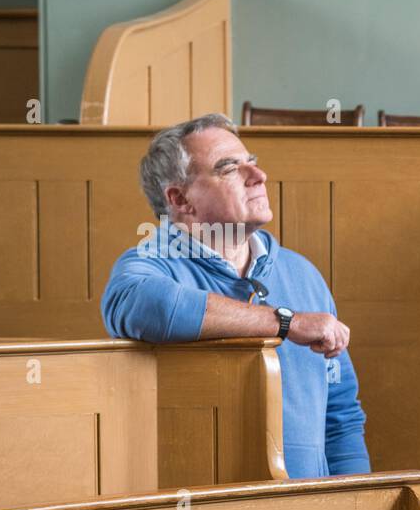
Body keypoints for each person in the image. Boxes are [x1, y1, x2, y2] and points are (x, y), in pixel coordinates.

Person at [101, 113, 369, 477]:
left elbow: (340, 417)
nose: (258, 176)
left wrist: (353, 504)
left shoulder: (302, 273)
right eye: (229, 168)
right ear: (180, 199)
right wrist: (285, 323)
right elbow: (144, 306)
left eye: (253, 163)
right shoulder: (146, 266)